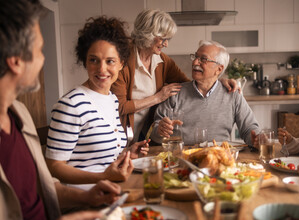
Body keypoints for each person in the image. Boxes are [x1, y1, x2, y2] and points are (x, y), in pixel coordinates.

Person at [0, 1, 122, 220]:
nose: (44, 60)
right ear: (15, 61)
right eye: (39, 51)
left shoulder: (19, 115)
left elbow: (42, 189)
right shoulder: (72, 103)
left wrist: (87, 196)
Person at [45, 16, 150, 191]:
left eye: (110, 61)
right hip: (81, 200)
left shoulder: (111, 99)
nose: (102, 69)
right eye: (94, 60)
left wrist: (127, 154)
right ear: (85, 61)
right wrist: (103, 177)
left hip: (109, 192)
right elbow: (54, 166)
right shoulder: (71, 105)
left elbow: (99, 159)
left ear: (121, 64)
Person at [111, 9, 239, 142]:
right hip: (120, 133)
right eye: (163, 39)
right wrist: (158, 98)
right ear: (148, 35)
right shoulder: (122, 61)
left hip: (145, 134)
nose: (166, 44)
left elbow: (193, 84)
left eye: (168, 39)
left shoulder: (162, 61)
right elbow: (119, 107)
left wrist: (217, 80)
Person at [151, 40, 260, 146]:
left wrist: (257, 139)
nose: (195, 62)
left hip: (218, 158)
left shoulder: (233, 95)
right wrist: (160, 131)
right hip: (182, 158)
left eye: (203, 59)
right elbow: (155, 133)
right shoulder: (175, 93)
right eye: (195, 57)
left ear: (218, 69)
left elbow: (249, 128)